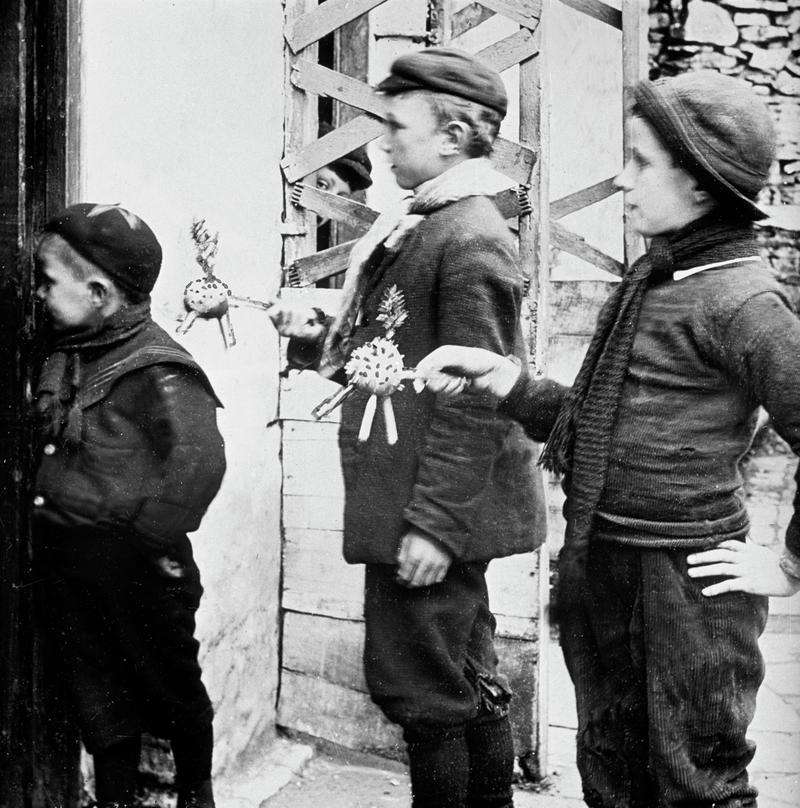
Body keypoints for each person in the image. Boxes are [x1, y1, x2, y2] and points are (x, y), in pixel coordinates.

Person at [416, 71, 800, 808]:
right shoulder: (657, 280)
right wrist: (506, 381)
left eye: (641, 161)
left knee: (694, 783)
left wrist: (787, 563)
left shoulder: (742, 299)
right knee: (613, 774)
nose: (622, 180)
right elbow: (605, 425)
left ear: (698, 183)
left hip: (684, 586)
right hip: (608, 565)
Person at [269, 48, 547, 808]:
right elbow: (395, 354)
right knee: (461, 678)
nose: (381, 144)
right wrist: (308, 339)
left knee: (424, 692)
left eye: (395, 127)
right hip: (414, 499)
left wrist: (433, 527)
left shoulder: (469, 238)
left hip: (427, 512)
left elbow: (475, 398)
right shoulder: (425, 224)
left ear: (454, 135)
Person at [31, 203, 226, 808]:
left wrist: (143, 539)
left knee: (169, 685)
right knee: (100, 693)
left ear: (97, 293)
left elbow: (198, 462)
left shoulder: (155, 369)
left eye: (46, 282)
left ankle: (195, 793)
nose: (35, 293)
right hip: (75, 562)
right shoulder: (73, 352)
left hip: (139, 565)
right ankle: (116, 798)